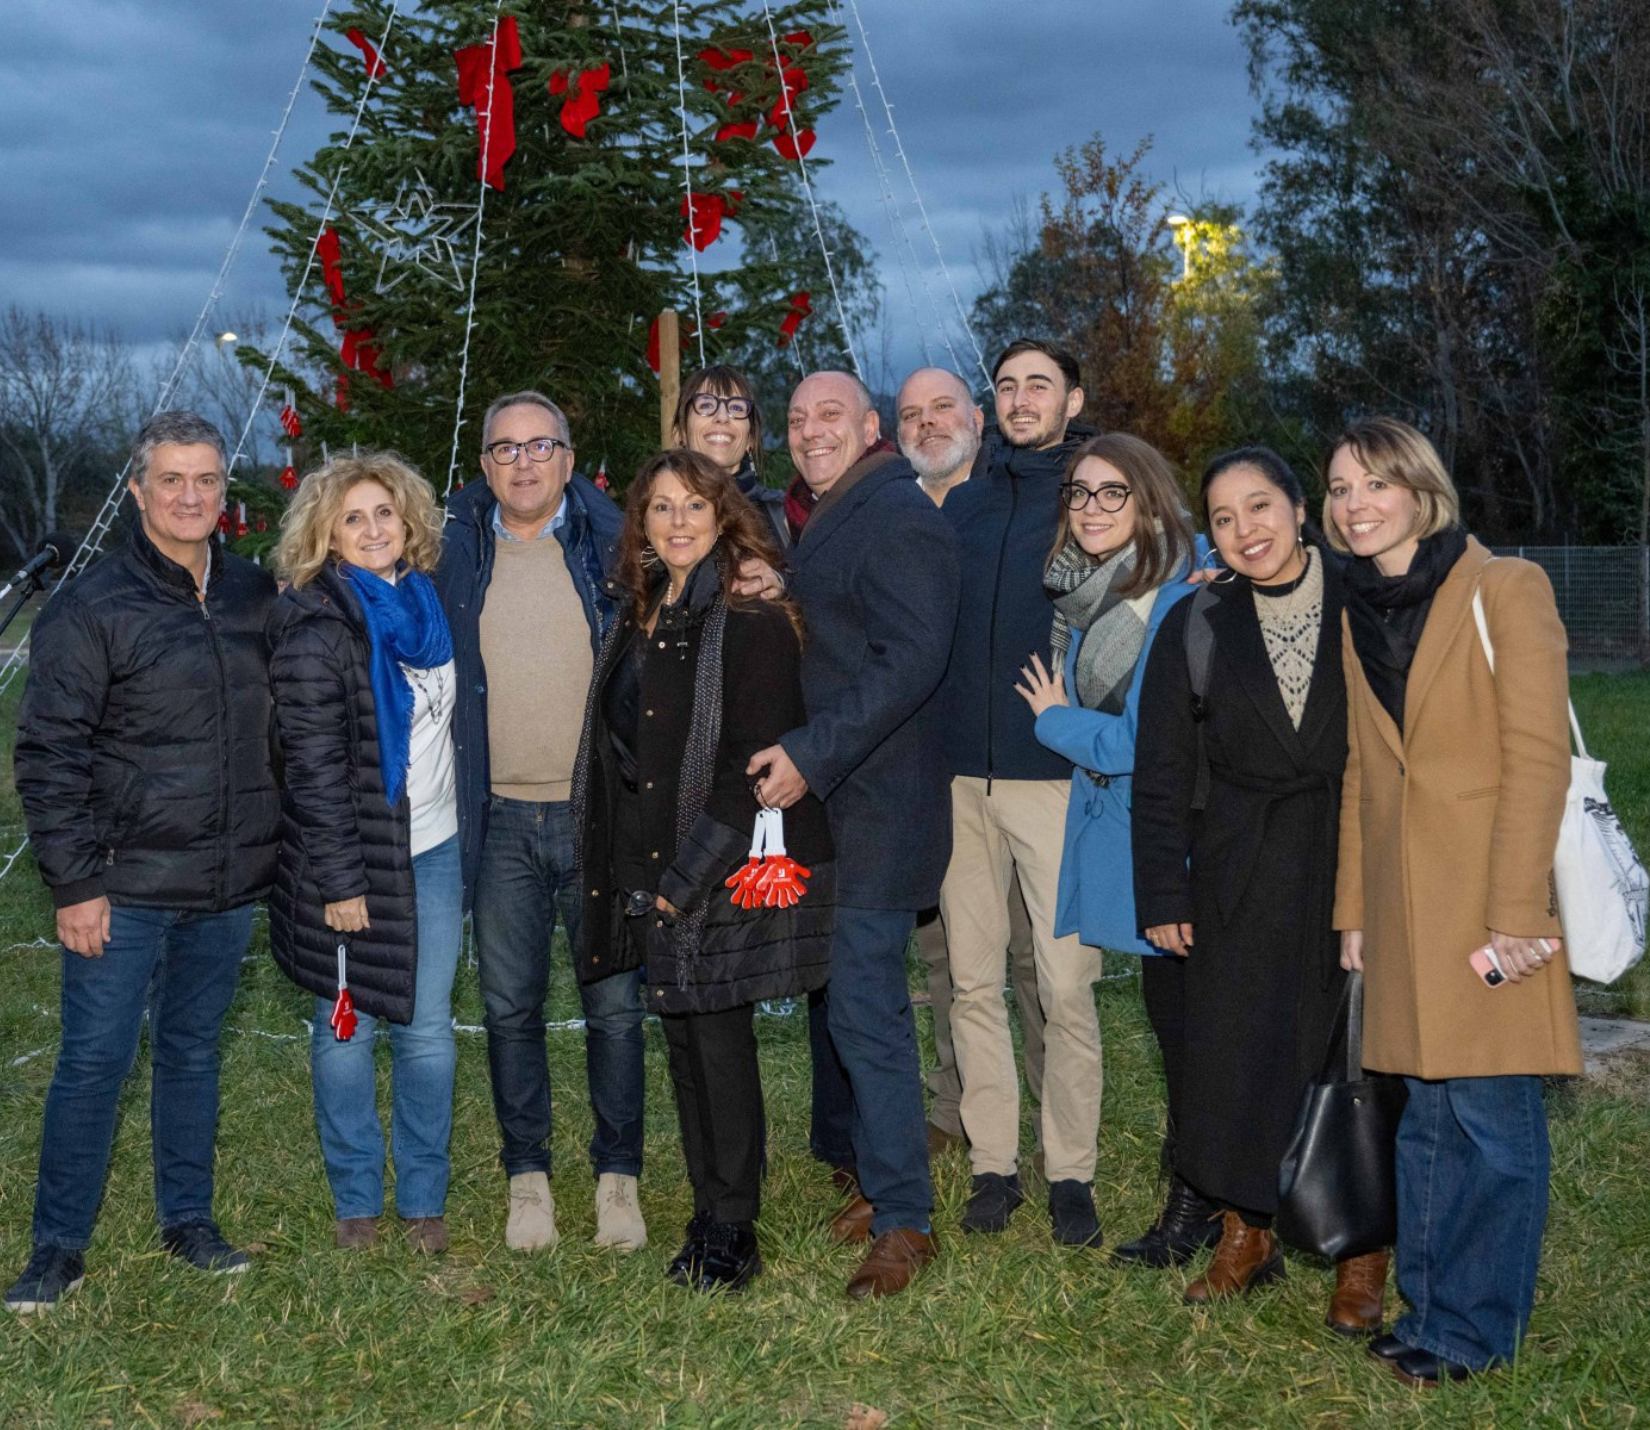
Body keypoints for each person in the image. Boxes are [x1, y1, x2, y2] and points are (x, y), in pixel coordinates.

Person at [1326, 417, 1580, 1387]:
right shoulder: (1362, 607)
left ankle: (1478, 1322)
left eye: (1373, 484)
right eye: (1341, 488)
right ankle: (1431, 1307)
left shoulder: (1505, 587)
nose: (1354, 504)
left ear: (1420, 489)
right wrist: (1354, 906)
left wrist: (1518, 907)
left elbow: (1537, 759)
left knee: (1492, 1123)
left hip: (1487, 905)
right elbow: (1361, 770)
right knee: (1425, 1120)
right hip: (1400, 907)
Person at [7, 412, 278, 1312]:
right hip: (121, 888)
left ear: (224, 492)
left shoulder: (255, 595)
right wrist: (76, 885)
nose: (191, 496)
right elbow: (49, 757)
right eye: (171, 480)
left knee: (193, 1053)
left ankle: (188, 1221)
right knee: (94, 1061)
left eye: (206, 480)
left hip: (226, 883)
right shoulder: (92, 607)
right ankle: (56, 1248)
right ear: (137, 491)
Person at [1133, 447, 1388, 1335]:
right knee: (1232, 1052)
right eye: (1227, 517)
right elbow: (1160, 772)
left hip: (1350, 855)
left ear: (1300, 510)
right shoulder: (1197, 618)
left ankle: (1362, 1251)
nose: (1247, 530)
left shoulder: (1370, 601)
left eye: (1261, 506)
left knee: (1352, 1054)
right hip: (1239, 865)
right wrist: (1164, 892)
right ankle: (1248, 1231)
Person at [573, 448, 834, 1292]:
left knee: (718, 1043)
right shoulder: (639, 613)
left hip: (713, 863)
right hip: (649, 861)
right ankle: (708, 1203)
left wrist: (686, 879)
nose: (676, 521)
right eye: (659, 507)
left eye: (693, 505)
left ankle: (734, 1228)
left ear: (723, 515)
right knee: (681, 1039)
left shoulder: (749, 619)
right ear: (640, 524)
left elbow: (749, 767)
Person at [747, 369, 961, 1298]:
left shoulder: (903, 516)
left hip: (879, 806)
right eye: (796, 420)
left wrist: (811, 753)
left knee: (870, 1011)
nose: (809, 431)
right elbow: (839, 626)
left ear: (872, 427)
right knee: (851, 1001)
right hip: (843, 808)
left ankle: (907, 1221)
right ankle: (882, 1185)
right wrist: (778, 580)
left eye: (829, 414)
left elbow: (907, 660)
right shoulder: (832, 516)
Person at [435, 391, 647, 1253]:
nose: (523, 462)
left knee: (617, 1009)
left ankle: (618, 1177)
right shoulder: (453, 553)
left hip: (597, 816)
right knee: (510, 1007)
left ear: (569, 458)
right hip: (498, 822)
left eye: (541, 446)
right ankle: (528, 1178)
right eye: (505, 449)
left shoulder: (613, 546)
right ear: (484, 467)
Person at [1011, 433, 1206, 1260]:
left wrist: (1056, 722)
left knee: (1198, 1027)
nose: (1091, 509)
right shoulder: (1094, 595)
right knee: (1178, 1023)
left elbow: (1144, 739)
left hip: (1174, 838)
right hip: (1127, 833)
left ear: (1150, 501)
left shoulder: (1174, 594)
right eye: (1080, 494)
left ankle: (1204, 1203)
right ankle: (1200, 1189)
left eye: (1113, 493)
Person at [266, 453, 462, 1254]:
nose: (374, 529)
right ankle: (357, 1200)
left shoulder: (427, 605)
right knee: (343, 1029)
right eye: (354, 518)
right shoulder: (316, 626)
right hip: (348, 860)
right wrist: (341, 885)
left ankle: (422, 1200)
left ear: (409, 520)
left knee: (426, 1029)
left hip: (437, 849)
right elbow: (309, 771)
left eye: (385, 512)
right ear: (326, 534)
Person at [937, 339, 1103, 1244]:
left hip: (1055, 778)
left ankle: (1070, 1172)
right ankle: (992, 1166)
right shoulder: (962, 501)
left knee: (1066, 986)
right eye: (1005, 386)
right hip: (962, 776)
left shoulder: (1096, 496)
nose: (1020, 398)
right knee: (971, 983)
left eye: (1038, 384)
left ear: (1072, 400)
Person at [674, 363, 855, 1181]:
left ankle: (838, 1139)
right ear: (680, 425)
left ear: (753, 431)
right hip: (680, 784)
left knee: (805, 962)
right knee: (712, 985)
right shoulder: (660, 518)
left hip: (773, 777)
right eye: (703, 406)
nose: (720, 419)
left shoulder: (783, 523)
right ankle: (726, 1160)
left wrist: (788, 583)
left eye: (736, 408)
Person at [895, 365, 1045, 1157]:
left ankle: (1055, 1111)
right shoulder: (893, 513)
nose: (927, 423)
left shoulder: (1022, 500)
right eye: (911, 414)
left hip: (1026, 766)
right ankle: (958, 1110)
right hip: (931, 771)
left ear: (979, 421)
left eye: (942, 407)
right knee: (949, 955)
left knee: (1034, 956)